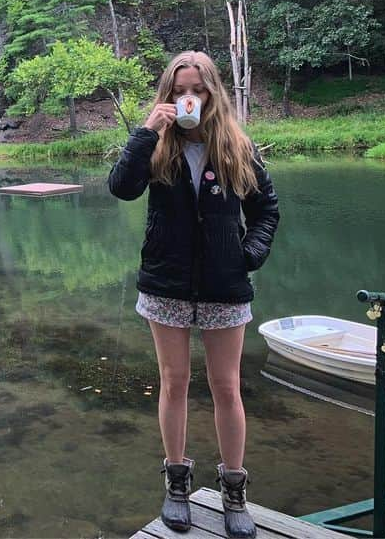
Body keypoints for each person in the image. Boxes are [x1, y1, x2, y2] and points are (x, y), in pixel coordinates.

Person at [108, 51, 280, 538]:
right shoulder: (156, 145)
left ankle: (233, 491)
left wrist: (248, 254)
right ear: (168, 95)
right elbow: (121, 188)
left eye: (198, 90)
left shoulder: (236, 147)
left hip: (225, 285)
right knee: (174, 381)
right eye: (179, 90)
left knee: (227, 388)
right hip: (166, 283)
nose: (189, 98)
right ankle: (177, 483)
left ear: (212, 93)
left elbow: (266, 211)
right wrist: (146, 132)